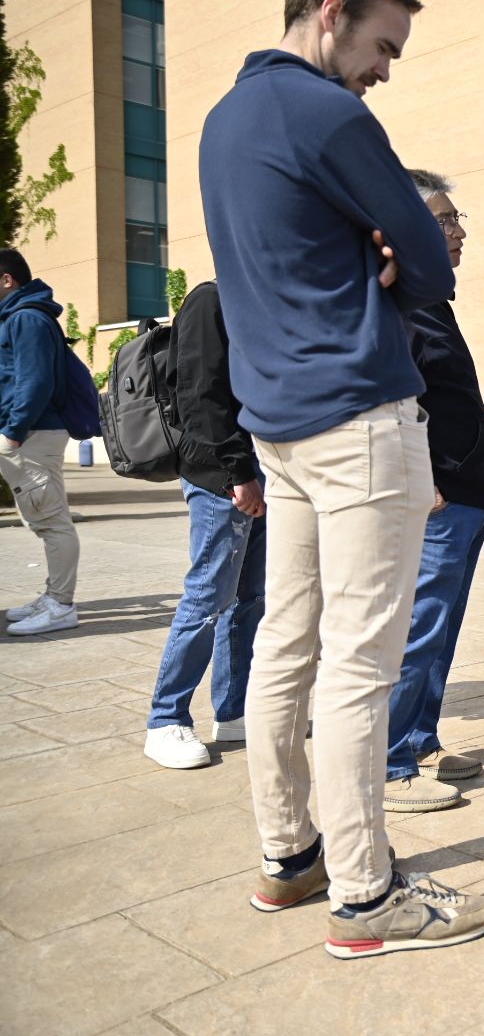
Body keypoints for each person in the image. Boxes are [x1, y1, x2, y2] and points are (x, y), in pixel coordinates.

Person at [197, 0, 484, 958]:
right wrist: (390, 250)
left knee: (286, 644)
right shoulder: (329, 115)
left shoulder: (224, 120)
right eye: (382, 46)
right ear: (331, 13)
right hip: (359, 418)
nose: (385, 71)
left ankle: (291, 856)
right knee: (361, 666)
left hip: (278, 423)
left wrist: (373, 247)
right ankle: (367, 897)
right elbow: (432, 260)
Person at [381, 169, 484, 814]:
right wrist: (422, 478)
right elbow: (391, 398)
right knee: (418, 628)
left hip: (467, 490)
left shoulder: (432, 302)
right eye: (445, 221)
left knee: (441, 627)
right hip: (439, 495)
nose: (458, 233)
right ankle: (390, 764)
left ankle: (421, 741)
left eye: (457, 220)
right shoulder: (396, 305)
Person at [143, 281, 267, 770]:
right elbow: (200, 395)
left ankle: (233, 711)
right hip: (222, 476)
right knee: (208, 597)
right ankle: (165, 719)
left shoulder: (258, 298)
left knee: (248, 597)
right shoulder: (211, 299)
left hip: (259, 470)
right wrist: (237, 473)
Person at [0, 248, 80, 637]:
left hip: (31, 434)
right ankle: (53, 597)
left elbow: (35, 382)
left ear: (6, 280)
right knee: (42, 518)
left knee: (51, 521)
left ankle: (61, 605)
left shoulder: (27, 318)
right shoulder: (20, 316)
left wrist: (13, 432)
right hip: (29, 433)